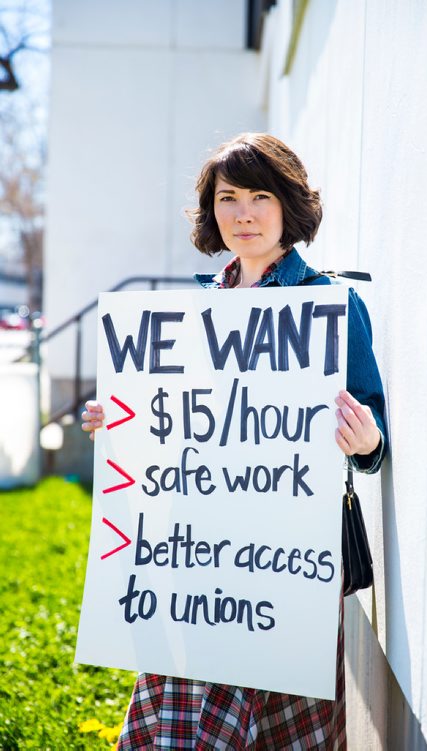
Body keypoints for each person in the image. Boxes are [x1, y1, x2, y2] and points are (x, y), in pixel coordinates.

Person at [82, 133, 387, 750]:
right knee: (187, 718)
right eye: (227, 198)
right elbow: (178, 431)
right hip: (197, 558)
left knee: (280, 725)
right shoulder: (197, 311)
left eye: (260, 196)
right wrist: (118, 418)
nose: (243, 213)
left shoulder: (328, 305)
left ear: (289, 207)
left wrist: (366, 438)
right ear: (211, 210)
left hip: (288, 565)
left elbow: (374, 435)